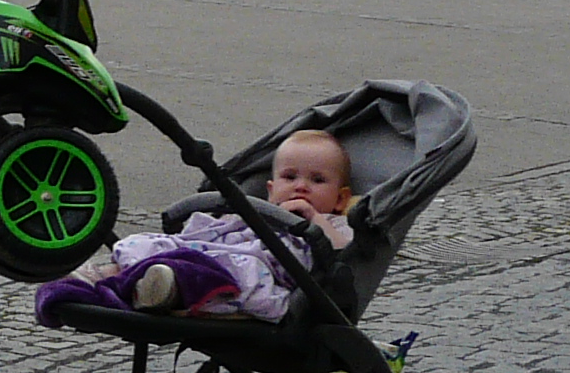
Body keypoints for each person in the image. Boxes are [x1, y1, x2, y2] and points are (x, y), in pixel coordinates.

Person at [35, 129, 355, 324]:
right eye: (290, 177)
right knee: (160, 244)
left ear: (340, 199)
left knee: (219, 270)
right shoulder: (254, 215)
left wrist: (314, 221)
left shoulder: (334, 223)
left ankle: (167, 288)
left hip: (252, 274)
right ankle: (110, 274)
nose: (301, 187)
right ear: (270, 190)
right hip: (217, 250)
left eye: (317, 180)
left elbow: (343, 248)